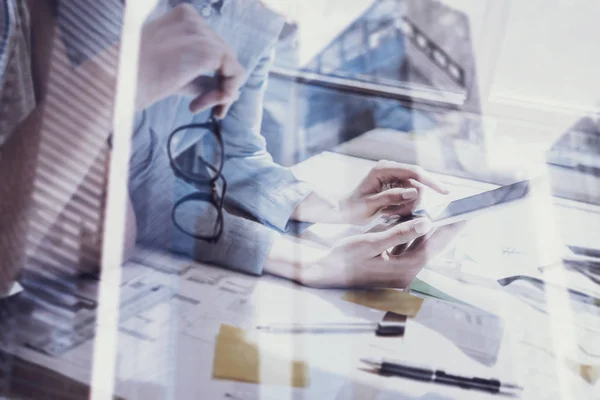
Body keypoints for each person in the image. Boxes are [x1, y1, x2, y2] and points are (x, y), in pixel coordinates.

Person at [1, 0, 463, 294]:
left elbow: (234, 151)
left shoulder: (259, 12)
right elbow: (131, 179)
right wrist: (309, 262)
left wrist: (332, 208)